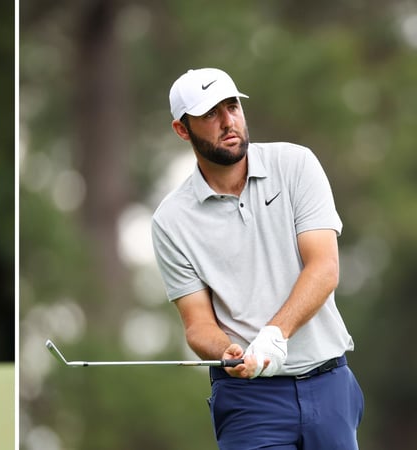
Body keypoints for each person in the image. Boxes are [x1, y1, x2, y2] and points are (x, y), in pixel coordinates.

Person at [151, 68, 363, 449]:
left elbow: (325, 267)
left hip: (328, 385)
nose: (228, 121)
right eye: (211, 113)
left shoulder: (296, 165)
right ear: (183, 130)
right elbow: (197, 324)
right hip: (249, 400)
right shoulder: (171, 220)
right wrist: (225, 350)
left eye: (232, 106)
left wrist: (273, 336)